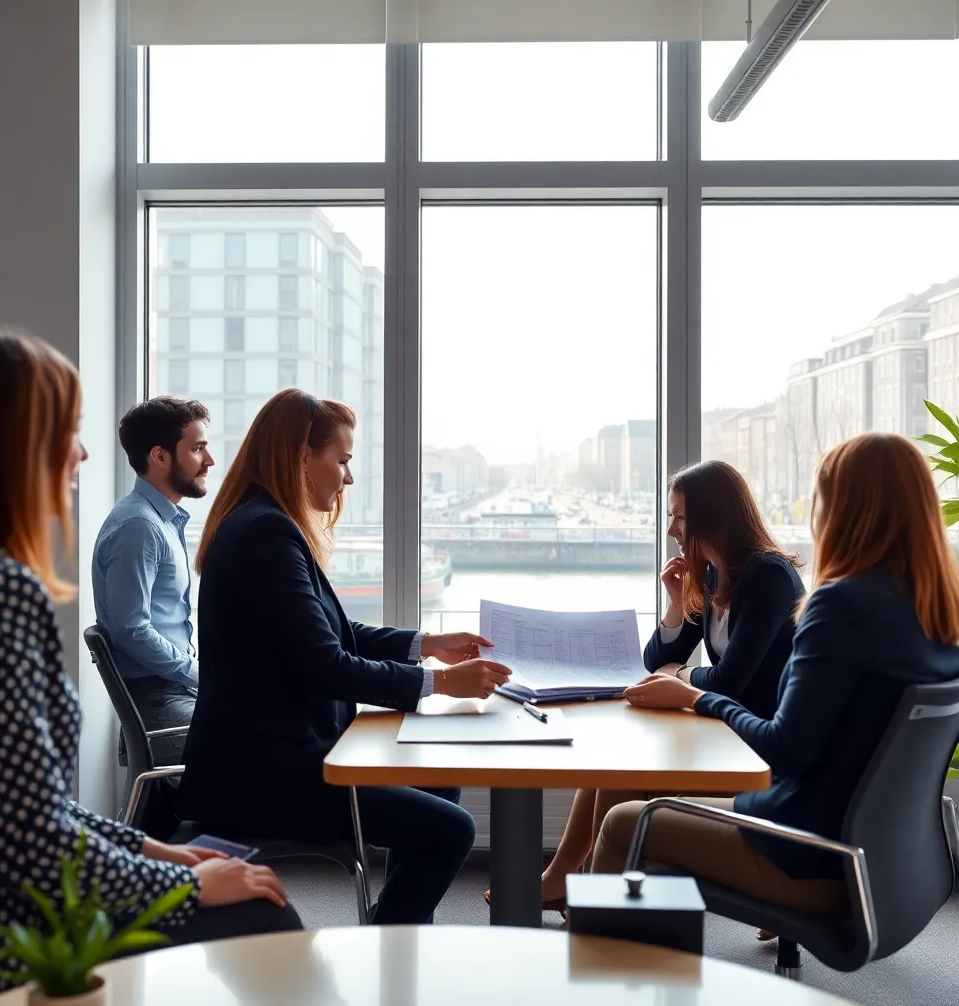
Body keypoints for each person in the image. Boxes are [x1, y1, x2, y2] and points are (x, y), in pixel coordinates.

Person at [0, 333, 300, 1006]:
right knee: (260, 911)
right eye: (68, 431)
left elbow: (26, 806)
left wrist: (157, 852)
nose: (81, 453)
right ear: (14, 444)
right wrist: (185, 884)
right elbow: (28, 841)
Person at [178, 388, 512, 925]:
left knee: (438, 780)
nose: (348, 478)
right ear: (302, 457)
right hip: (262, 776)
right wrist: (443, 684)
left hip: (276, 754)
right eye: (343, 460)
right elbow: (326, 666)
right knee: (453, 830)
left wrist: (427, 646)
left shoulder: (263, 522)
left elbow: (333, 633)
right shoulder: (266, 533)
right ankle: (387, 939)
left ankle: (396, 930)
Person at [592, 433, 959, 919]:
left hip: (809, 854)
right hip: (890, 867)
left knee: (624, 823)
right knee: (639, 792)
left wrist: (697, 697)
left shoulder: (838, 608)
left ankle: (598, 955)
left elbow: (785, 750)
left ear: (842, 510)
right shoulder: (940, 613)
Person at [486, 459, 804, 914]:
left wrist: (682, 675)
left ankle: (590, 892)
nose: (672, 529)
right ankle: (567, 880)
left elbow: (730, 681)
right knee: (612, 763)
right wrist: (676, 608)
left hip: (754, 741)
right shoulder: (714, 572)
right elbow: (652, 663)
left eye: (680, 517)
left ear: (714, 517)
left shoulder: (767, 577)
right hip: (720, 727)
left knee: (625, 771)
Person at [92, 397, 214, 766]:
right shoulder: (139, 526)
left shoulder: (159, 520)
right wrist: (200, 674)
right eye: (197, 449)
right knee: (270, 746)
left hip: (170, 694)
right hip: (159, 704)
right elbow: (132, 630)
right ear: (160, 456)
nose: (209, 461)